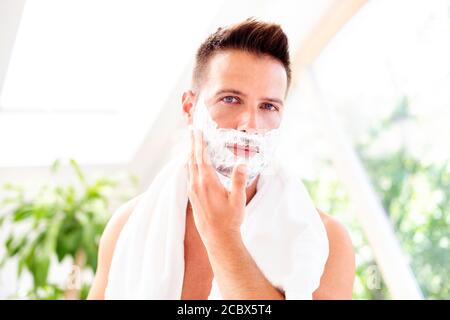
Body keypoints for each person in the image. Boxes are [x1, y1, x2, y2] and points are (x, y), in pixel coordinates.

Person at [88, 18, 355, 300]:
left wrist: (223, 237)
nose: (250, 124)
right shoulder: (127, 227)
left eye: (268, 106)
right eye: (230, 99)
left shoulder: (325, 242)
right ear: (190, 108)